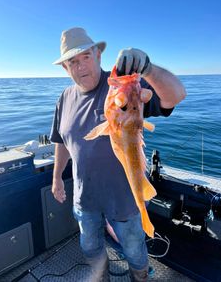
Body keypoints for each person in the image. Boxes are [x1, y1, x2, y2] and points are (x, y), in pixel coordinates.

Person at [50, 27, 186, 282]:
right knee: (90, 247)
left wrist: (148, 69)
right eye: (73, 62)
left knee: (135, 252)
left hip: (125, 201)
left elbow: (176, 95)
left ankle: (140, 277)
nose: (80, 66)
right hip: (85, 199)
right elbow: (61, 140)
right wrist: (57, 177)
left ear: (98, 56)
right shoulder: (64, 98)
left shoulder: (125, 87)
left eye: (86, 57)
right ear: (65, 69)